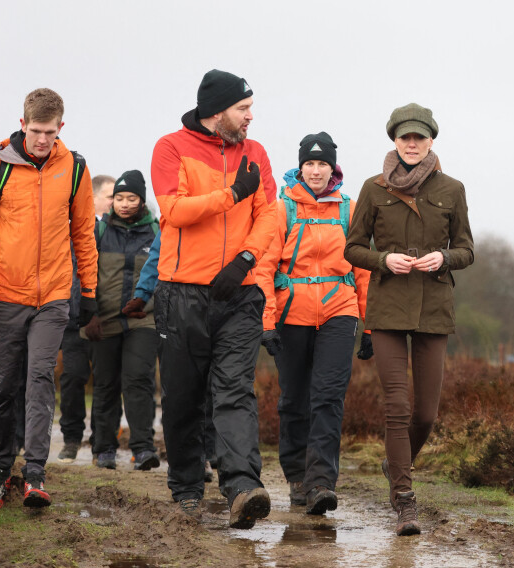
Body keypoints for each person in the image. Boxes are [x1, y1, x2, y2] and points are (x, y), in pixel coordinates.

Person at [150, 69, 276, 528]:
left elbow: (269, 216)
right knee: (183, 397)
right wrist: (231, 194)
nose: (249, 116)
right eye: (243, 108)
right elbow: (174, 211)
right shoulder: (170, 147)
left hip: (239, 294)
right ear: (218, 110)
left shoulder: (256, 152)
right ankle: (185, 484)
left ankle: (242, 487)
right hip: (181, 293)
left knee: (235, 391)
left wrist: (245, 259)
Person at [0, 88, 98, 510]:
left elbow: (83, 235)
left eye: (50, 131)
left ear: (62, 128)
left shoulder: (74, 169)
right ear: (22, 125)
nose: (43, 139)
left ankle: (35, 474)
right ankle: (0, 471)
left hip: (54, 296)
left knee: (40, 378)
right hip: (5, 295)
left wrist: (89, 290)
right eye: (36, 130)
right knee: (5, 386)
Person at [344, 103, 474, 536]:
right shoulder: (373, 188)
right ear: (395, 142)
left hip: (435, 308)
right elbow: (353, 247)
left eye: (419, 137)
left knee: (426, 415)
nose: (412, 144)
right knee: (397, 408)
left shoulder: (452, 189)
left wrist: (445, 257)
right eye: (405, 138)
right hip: (388, 308)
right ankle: (404, 500)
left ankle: (394, 463)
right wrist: (383, 259)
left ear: (431, 141)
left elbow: (468, 250)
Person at [255, 131, 371, 515]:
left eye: (323, 163)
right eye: (310, 163)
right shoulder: (282, 208)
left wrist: (368, 324)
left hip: (340, 309)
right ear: (301, 166)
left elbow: (364, 271)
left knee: (329, 397)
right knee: (294, 400)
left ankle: (322, 482)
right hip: (292, 314)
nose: (316, 170)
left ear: (333, 167)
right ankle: (297, 477)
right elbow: (265, 268)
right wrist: (267, 321)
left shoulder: (348, 210)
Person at [83, 170, 161, 472]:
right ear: (111, 201)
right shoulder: (99, 232)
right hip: (103, 321)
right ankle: (103, 449)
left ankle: (143, 449)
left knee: (139, 381)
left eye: (131, 198)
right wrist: (88, 314)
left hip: (144, 320)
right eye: (119, 198)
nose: (125, 204)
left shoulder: (155, 232)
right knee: (105, 384)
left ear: (141, 201)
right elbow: (84, 273)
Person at [57, 174, 118, 464]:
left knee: (107, 382)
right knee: (72, 379)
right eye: (110, 195)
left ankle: (102, 444)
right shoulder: (71, 228)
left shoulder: (122, 229)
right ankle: (71, 439)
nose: (115, 201)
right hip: (75, 316)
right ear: (92, 198)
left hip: (110, 318)